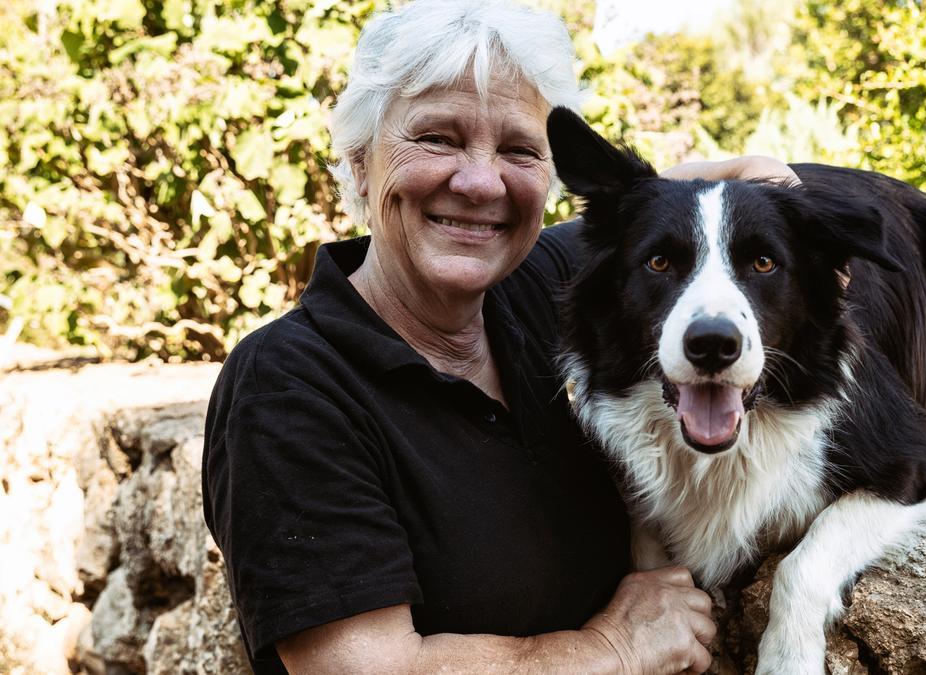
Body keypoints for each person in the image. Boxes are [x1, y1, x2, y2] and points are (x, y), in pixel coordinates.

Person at [202, 1, 793, 673]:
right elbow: (360, 666)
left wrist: (756, 173)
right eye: (437, 138)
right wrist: (612, 646)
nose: (482, 182)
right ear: (360, 162)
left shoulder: (529, 288)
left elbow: (642, 208)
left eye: (518, 149)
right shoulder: (287, 385)